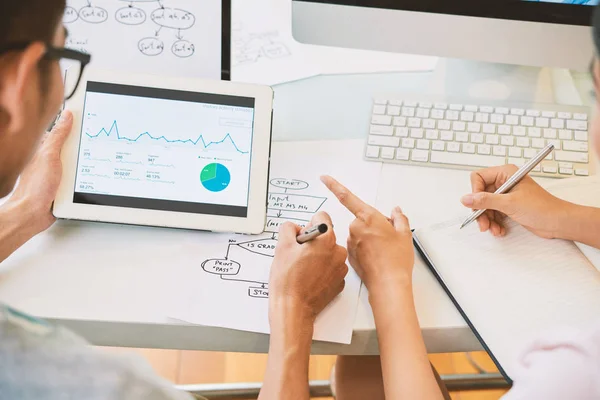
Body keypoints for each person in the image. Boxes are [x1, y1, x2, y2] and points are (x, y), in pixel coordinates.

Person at [0, 2, 348, 399]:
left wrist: (20, 215)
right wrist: (294, 309)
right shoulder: (81, 383)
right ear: (19, 80)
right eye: (64, 57)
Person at [324, 6, 600, 400]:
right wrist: (564, 217)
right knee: (358, 367)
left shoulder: (575, 369)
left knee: (360, 372)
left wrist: (389, 283)